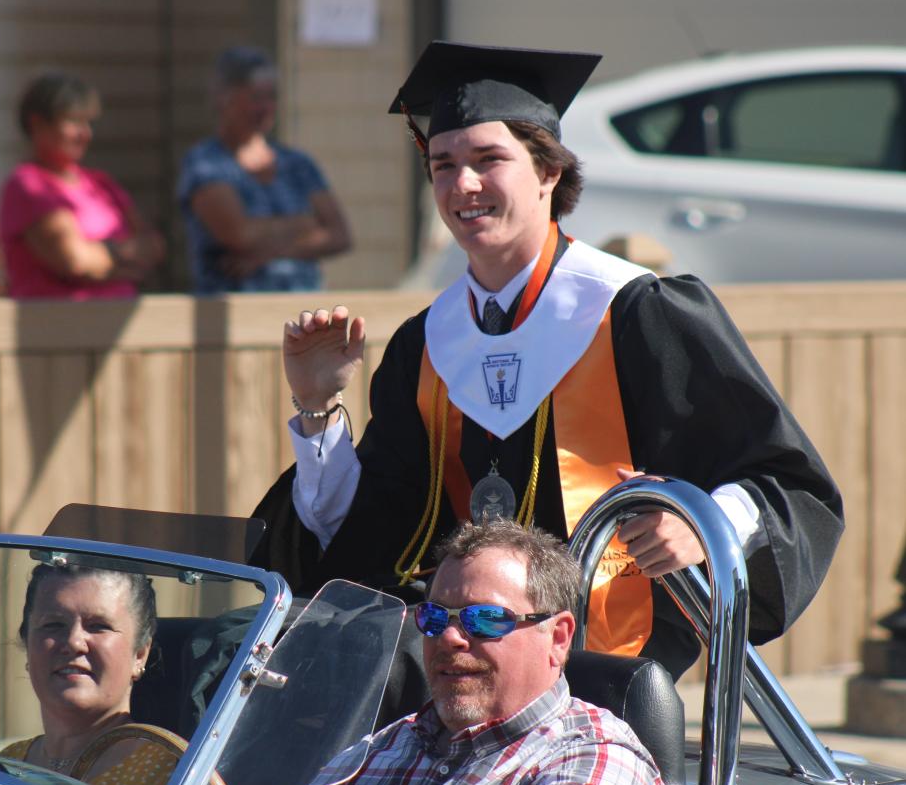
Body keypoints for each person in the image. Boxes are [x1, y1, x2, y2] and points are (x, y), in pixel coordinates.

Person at [249, 42, 843, 677]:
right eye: (444, 165)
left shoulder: (639, 314)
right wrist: (317, 410)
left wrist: (703, 523)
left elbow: (788, 484)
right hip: (458, 663)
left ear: (548, 172)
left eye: (489, 159)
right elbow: (371, 537)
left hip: (602, 666)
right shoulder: (427, 345)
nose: (463, 185)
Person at [225, 518, 678, 785]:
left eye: (483, 618)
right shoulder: (385, 745)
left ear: (558, 638)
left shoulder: (600, 751)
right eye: (435, 618)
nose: (449, 638)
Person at [0, 562, 176, 785]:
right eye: (53, 625)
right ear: (28, 645)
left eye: (99, 626)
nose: (74, 642)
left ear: (139, 654)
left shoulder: (174, 783)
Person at [177, 45, 352, 294]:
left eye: (272, 97)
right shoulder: (204, 163)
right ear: (223, 98)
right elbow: (240, 235)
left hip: (305, 313)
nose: (266, 107)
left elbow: (340, 235)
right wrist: (307, 223)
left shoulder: (297, 163)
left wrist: (270, 254)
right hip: (233, 315)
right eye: (255, 97)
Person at [0, 72, 165, 300]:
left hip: (118, 320)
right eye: (73, 122)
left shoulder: (100, 183)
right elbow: (74, 261)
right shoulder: (28, 185)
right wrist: (123, 258)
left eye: (87, 122)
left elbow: (153, 246)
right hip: (60, 326)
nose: (85, 134)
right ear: (36, 123)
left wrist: (101, 257)